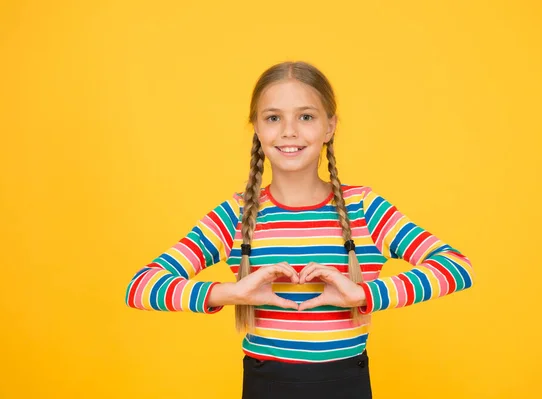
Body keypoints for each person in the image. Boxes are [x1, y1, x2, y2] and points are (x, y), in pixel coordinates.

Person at [124, 60, 475, 399]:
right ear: (257, 128)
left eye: (305, 116)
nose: (289, 131)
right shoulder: (235, 215)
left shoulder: (364, 210)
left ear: (329, 126)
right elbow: (141, 287)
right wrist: (233, 293)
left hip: (348, 384)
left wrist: (363, 296)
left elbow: (456, 266)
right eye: (273, 118)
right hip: (264, 386)